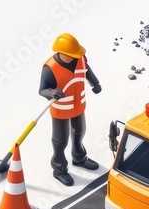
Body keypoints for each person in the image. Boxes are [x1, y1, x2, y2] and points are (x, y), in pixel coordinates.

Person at [39, 33, 102, 186]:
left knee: (80, 132)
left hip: (78, 105)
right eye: (72, 54)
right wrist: (52, 92)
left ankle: (79, 157)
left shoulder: (80, 59)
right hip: (61, 110)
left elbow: (87, 71)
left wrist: (95, 83)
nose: (75, 57)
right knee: (60, 141)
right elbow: (42, 90)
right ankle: (59, 169)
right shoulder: (50, 68)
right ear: (62, 53)